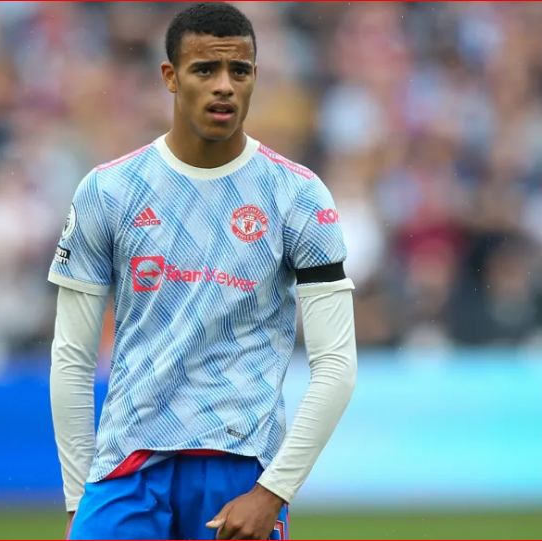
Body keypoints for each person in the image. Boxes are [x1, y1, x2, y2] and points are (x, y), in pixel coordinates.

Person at [48, 3, 357, 539]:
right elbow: (72, 358)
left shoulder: (298, 196)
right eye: (205, 69)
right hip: (127, 466)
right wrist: (80, 498)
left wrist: (272, 492)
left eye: (240, 71)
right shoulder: (108, 191)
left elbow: (336, 365)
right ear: (170, 76)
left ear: (255, 76)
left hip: (238, 470)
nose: (225, 86)